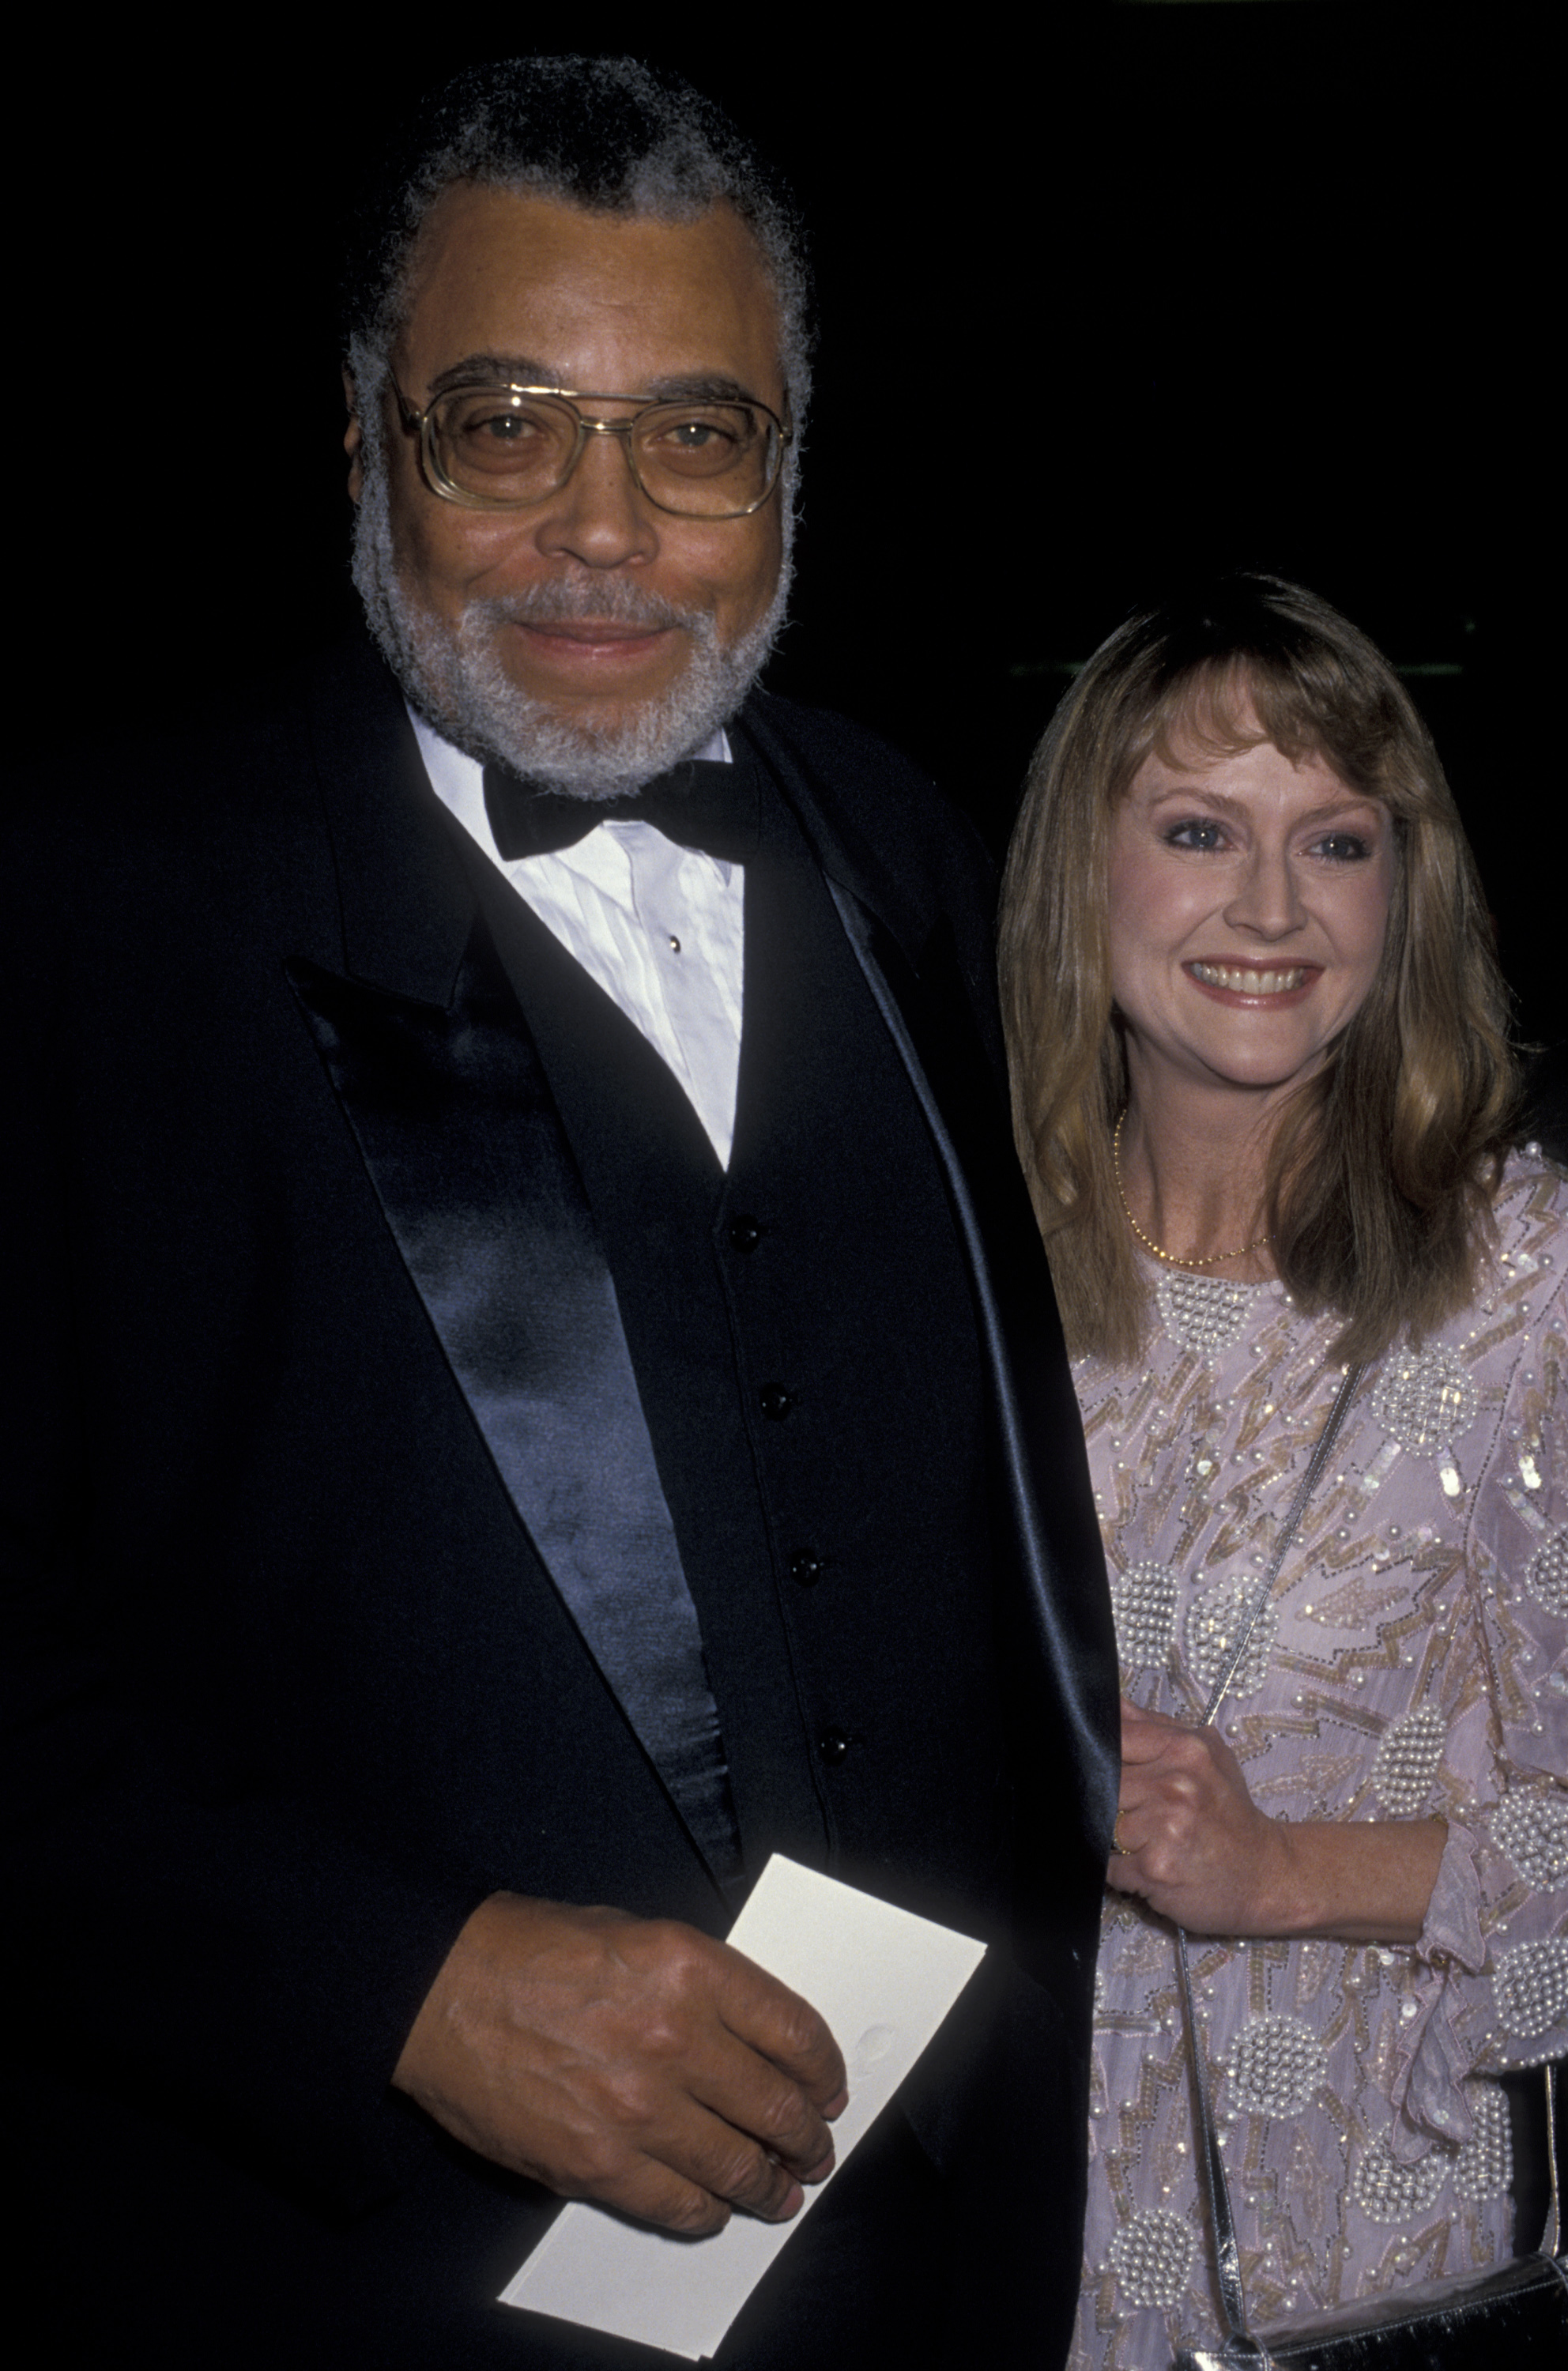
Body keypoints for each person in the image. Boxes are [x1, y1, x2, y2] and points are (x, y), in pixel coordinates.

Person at [1, 55, 1118, 2371]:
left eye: (693, 435)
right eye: (507, 424)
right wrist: (389, 1986)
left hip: (948, 2254)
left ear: (787, 468)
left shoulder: (912, 842)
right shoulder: (90, 908)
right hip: (367, 2281)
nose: (603, 532)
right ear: (364, 439)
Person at [997, 574, 1568, 2369]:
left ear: (1400, 900)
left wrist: (1286, 1867)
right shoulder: (952, 1261)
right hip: (1001, 2245)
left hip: (1366, 2273)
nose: (1267, 906)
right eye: (1193, 829)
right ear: (1080, 879)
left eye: (1333, 841)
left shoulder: (1524, 1290)